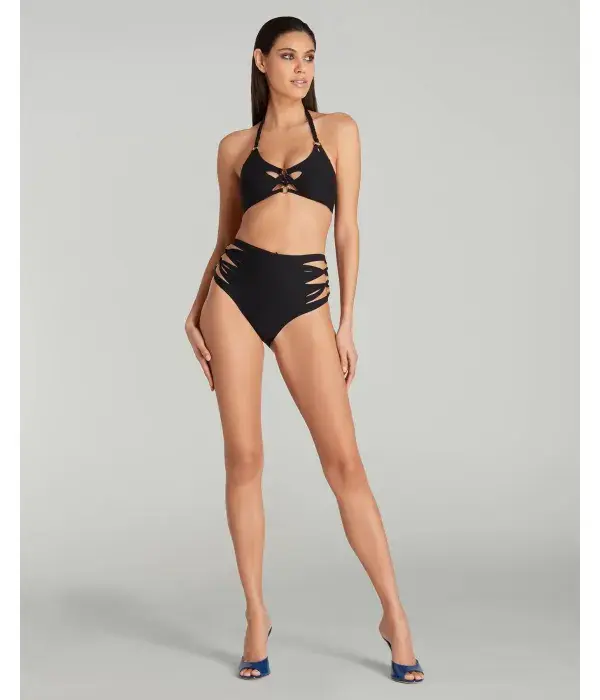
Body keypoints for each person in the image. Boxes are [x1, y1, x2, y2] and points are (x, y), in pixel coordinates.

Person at [184, 16, 425, 684]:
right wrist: (194, 309)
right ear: (260, 61)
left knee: (344, 463)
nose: (301, 68)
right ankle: (256, 614)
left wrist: (346, 322)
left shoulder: (338, 131)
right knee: (244, 459)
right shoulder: (235, 147)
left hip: (305, 299)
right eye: (288, 56)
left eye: (309, 57)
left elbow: (347, 229)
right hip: (234, 295)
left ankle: (395, 617)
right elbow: (225, 235)